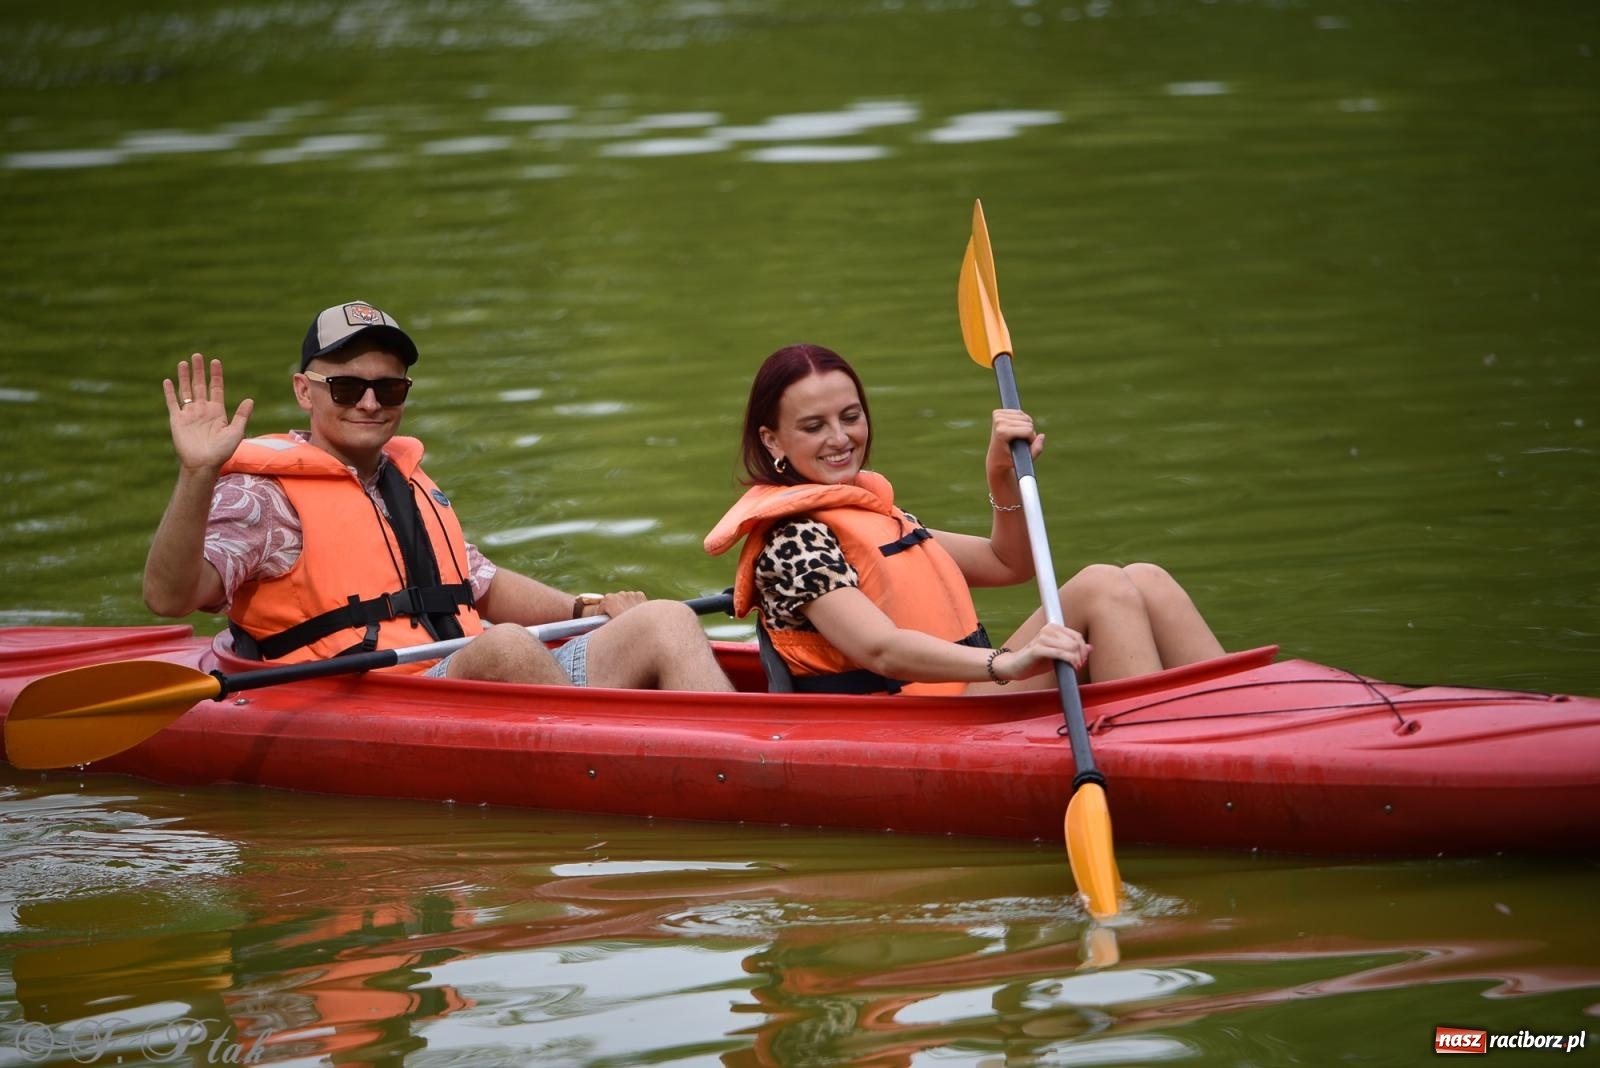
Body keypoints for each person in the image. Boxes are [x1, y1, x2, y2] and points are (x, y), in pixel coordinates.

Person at [143, 299, 733, 691]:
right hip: (368, 700)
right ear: (305, 390)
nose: (371, 403)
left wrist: (587, 609)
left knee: (666, 619)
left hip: (482, 680)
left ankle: (733, 753)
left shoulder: (405, 482)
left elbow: (479, 582)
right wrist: (198, 474)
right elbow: (171, 597)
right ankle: (622, 766)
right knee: (504, 648)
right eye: (347, 387)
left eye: (389, 386)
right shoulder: (264, 497)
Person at [704, 343, 1224, 695]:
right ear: (772, 440)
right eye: (814, 426)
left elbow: (1008, 563)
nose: (840, 439)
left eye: (851, 416)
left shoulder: (873, 510)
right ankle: (1158, 746)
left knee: (1146, 578)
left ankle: (1253, 718)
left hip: (963, 698)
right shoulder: (794, 540)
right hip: (914, 725)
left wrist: (1000, 478)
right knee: (1101, 586)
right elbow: (879, 650)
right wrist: (1007, 662)